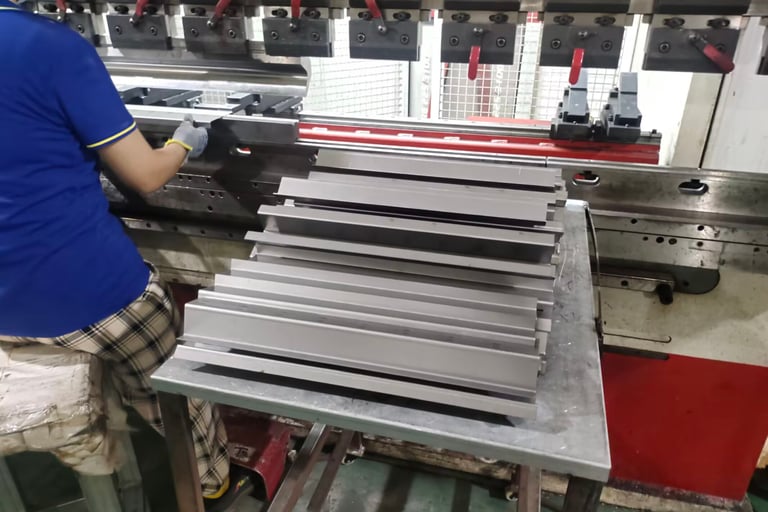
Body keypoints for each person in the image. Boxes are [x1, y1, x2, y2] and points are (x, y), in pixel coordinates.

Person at [0, 2, 253, 509]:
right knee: (173, 380)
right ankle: (213, 482)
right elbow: (146, 176)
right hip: (86, 293)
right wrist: (183, 142)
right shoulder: (47, 45)